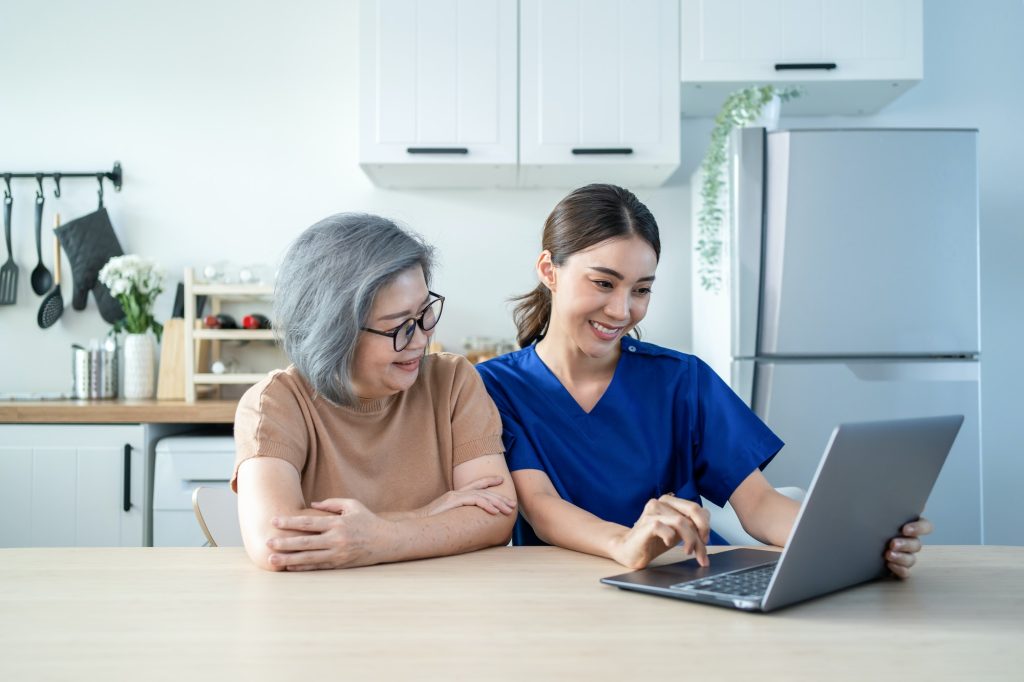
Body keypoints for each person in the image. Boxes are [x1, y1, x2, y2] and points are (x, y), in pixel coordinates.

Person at [477, 184, 930, 576]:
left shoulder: (681, 381)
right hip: (556, 598)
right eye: (603, 283)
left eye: (641, 289)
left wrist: (861, 540)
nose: (622, 311)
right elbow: (539, 505)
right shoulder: (494, 387)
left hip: (677, 590)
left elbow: (760, 505)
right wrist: (625, 543)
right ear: (548, 270)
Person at [233, 213, 516, 571]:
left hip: (445, 608)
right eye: (400, 326)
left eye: (424, 313)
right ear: (334, 331)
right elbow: (278, 544)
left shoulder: (453, 381)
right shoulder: (275, 403)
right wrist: (426, 517)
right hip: (321, 615)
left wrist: (379, 537)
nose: (421, 338)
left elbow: (496, 514)